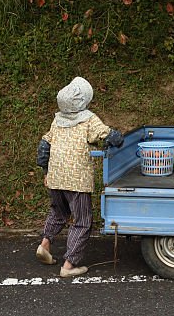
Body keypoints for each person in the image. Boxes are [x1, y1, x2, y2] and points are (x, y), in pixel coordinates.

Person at [35, 76, 124, 277]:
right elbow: (108, 136)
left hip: (56, 177)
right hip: (77, 180)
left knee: (59, 212)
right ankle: (69, 265)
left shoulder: (57, 120)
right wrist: (118, 139)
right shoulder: (89, 120)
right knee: (82, 220)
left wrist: (45, 171)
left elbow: (44, 146)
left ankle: (45, 245)